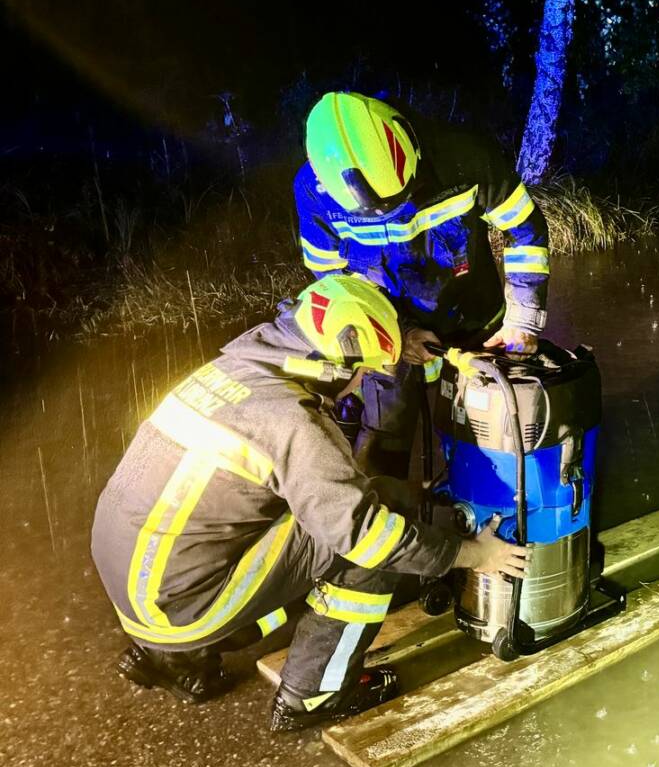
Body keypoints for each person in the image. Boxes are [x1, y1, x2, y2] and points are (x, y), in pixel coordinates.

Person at [91, 274, 529, 730]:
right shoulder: (291, 421)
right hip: (179, 604)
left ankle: (173, 657)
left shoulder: (239, 367)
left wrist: (398, 343)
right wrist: (474, 554)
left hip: (138, 583)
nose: (361, 386)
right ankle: (315, 694)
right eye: (362, 373)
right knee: (379, 523)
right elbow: (363, 534)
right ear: (335, 367)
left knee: (324, 504)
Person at [296, 91, 551, 476]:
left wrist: (523, 321)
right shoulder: (313, 193)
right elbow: (332, 284)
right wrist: (399, 332)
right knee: (383, 449)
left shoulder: (463, 154)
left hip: (477, 327)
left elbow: (525, 230)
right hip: (385, 339)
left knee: (489, 445)